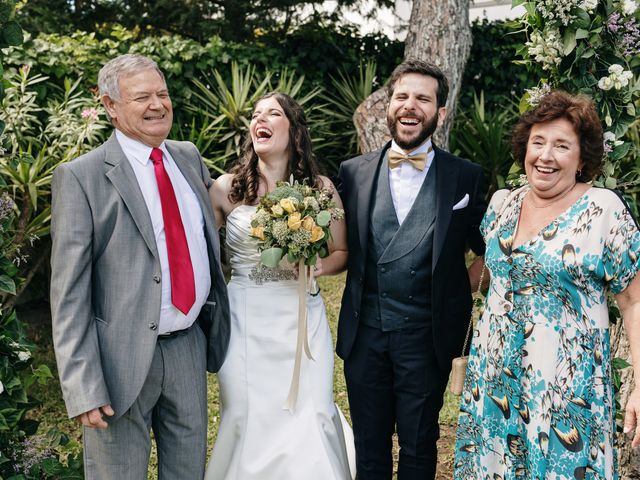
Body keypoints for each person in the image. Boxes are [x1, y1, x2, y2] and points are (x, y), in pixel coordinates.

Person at [49, 54, 230, 479]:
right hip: (118, 360)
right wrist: (82, 386)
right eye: (142, 96)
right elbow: (68, 292)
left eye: (162, 93)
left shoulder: (188, 156)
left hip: (188, 344)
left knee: (189, 471)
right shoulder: (82, 176)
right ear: (110, 106)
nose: (157, 104)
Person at [454, 90, 640, 478]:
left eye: (561, 146)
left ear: (582, 158)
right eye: (538, 142)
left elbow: (634, 301)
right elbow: (488, 275)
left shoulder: (603, 210)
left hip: (566, 393)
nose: (545, 156)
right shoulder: (504, 203)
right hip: (495, 384)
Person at [337, 59, 487, 479]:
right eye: (402, 96)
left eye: (423, 98)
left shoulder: (465, 177)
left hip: (427, 336)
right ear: (388, 106)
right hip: (364, 333)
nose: (410, 106)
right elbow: (338, 246)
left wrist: (457, 288)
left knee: (420, 444)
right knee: (369, 443)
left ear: (440, 113)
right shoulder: (353, 173)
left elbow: (489, 250)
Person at [205, 91, 354, 480]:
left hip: (301, 318)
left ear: (294, 129)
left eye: (272, 113)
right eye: (255, 114)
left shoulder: (318, 189)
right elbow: (196, 252)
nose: (260, 119)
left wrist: (319, 265)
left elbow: (341, 251)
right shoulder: (224, 188)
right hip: (245, 319)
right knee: (244, 411)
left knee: (313, 409)